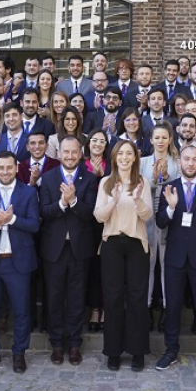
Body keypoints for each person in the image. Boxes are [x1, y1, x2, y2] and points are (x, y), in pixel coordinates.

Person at [154, 145, 196, 374]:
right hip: (175, 258)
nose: (190, 163)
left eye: (195, 160)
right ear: (179, 162)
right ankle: (170, 351)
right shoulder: (168, 187)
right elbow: (160, 222)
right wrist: (171, 208)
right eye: (186, 159)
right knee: (172, 308)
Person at [0, 151, 39, 374]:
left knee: (21, 310)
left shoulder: (29, 192)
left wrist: (11, 219)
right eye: (0, 168)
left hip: (18, 262)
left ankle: (19, 352)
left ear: (16, 168)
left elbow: (34, 225)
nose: (4, 172)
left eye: (9, 168)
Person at [93, 140, 153, 372]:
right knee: (113, 298)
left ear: (135, 158)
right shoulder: (105, 183)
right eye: (121, 154)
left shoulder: (143, 182)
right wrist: (115, 200)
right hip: (112, 244)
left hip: (137, 243)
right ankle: (114, 352)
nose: (125, 158)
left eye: (129, 154)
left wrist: (136, 199)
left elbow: (147, 216)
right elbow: (99, 216)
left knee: (137, 298)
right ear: (114, 157)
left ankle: (138, 351)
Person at [39, 137, 98, 365]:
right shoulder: (48, 178)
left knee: (76, 297)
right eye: (66, 152)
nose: (70, 156)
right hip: (54, 249)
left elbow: (90, 212)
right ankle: (56, 343)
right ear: (60, 153)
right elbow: (44, 211)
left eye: (74, 152)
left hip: (79, 248)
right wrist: (63, 204)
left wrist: (73, 201)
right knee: (54, 297)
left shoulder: (90, 179)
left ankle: (74, 344)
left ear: (80, 153)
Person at [140, 124, 180, 329]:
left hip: (168, 219)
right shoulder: (142, 162)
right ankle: (145, 307)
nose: (161, 141)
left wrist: (165, 179)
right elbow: (138, 187)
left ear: (170, 139)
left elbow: (180, 189)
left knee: (166, 265)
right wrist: (154, 180)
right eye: (157, 137)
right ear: (151, 140)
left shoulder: (177, 163)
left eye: (165, 137)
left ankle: (166, 306)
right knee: (148, 263)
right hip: (145, 219)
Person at [83, 129, 111, 332]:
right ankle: (94, 308)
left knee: (107, 267)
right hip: (86, 224)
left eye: (102, 141)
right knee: (92, 267)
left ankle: (106, 308)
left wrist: (101, 178)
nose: (98, 144)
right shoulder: (80, 164)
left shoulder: (112, 166)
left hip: (108, 222)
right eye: (94, 140)